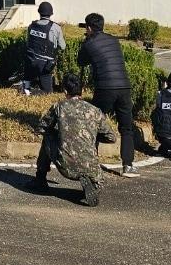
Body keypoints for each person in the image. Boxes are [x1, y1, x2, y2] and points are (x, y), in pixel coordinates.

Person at [76, 13, 140, 177]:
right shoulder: (114, 40)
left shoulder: (89, 43)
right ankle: (128, 165)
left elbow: (80, 62)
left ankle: (91, 161)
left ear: (89, 28)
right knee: (126, 128)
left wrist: (85, 42)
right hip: (124, 86)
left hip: (105, 88)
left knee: (94, 123)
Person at [33, 74, 112, 206]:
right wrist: (91, 136)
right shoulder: (95, 111)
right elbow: (111, 137)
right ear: (82, 90)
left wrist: (60, 132)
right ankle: (94, 184)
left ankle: (40, 180)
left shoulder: (59, 106)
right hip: (92, 168)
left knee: (48, 136)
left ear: (65, 91)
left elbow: (41, 128)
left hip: (66, 165)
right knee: (91, 156)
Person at [24, 1, 65, 94]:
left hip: (30, 61)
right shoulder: (55, 27)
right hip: (45, 65)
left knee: (28, 85)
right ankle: (33, 92)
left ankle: (27, 89)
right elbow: (63, 46)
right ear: (51, 13)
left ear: (39, 12)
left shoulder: (32, 25)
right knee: (47, 92)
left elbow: (28, 43)